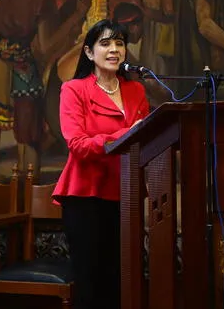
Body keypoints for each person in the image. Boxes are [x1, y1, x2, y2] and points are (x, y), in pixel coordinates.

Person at [52, 19, 150, 309]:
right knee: (91, 281)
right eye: (105, 43)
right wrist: (127, 133)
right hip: (86, 197)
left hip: (126, 194)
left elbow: (147, 138)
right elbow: (78, 145)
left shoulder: (137, 91)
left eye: (119, 43)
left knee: (121, 279)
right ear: (89, 52)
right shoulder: (74, 89)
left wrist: (139, 134)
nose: (114, 49)